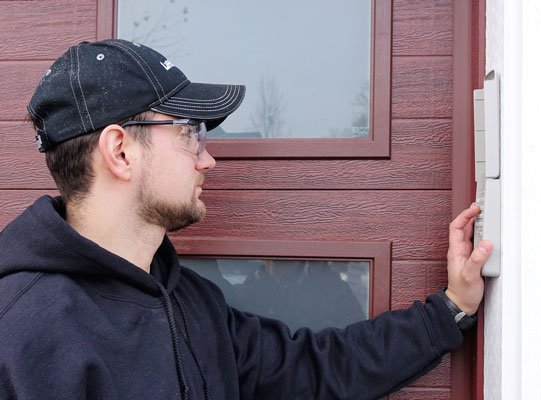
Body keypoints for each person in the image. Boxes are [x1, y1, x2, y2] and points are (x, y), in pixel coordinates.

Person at [0, 39, 492, 399]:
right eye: (190, 132)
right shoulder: (23, 333)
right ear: (120, 151)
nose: (207, 160)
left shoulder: (191, 304)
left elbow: (315, 369)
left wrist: (449, 308)